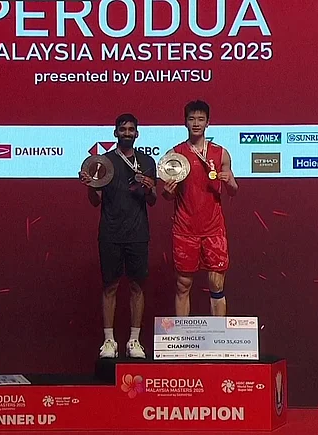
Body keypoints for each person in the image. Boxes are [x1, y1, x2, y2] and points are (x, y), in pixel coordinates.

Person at [79, 113, 157, 358]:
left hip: (138, 233)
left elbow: (153, 200)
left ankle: (134, 341)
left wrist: (149, 188)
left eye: (131, 129)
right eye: (122, 129)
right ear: (115, 133)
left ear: (137, 134)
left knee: (136, 286)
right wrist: (90, 186)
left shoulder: (147, 162)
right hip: (110, 233)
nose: (126, 133)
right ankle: (109, 341)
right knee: (110, 286)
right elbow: (95, 202)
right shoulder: (104, 162)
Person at [162, 100, 238, 317]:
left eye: (200, 119)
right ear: (185, 122)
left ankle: (219, 338)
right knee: (183, 284)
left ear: (208, 123)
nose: (196, 123)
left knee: (216, 282)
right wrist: (168, 189)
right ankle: (182, 339)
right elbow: (167, 196)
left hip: (213, 229)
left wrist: (230, 181)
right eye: (191, 119)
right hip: (185, 229)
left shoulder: (221, 153)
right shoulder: (175, 154)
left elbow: (233, 190)